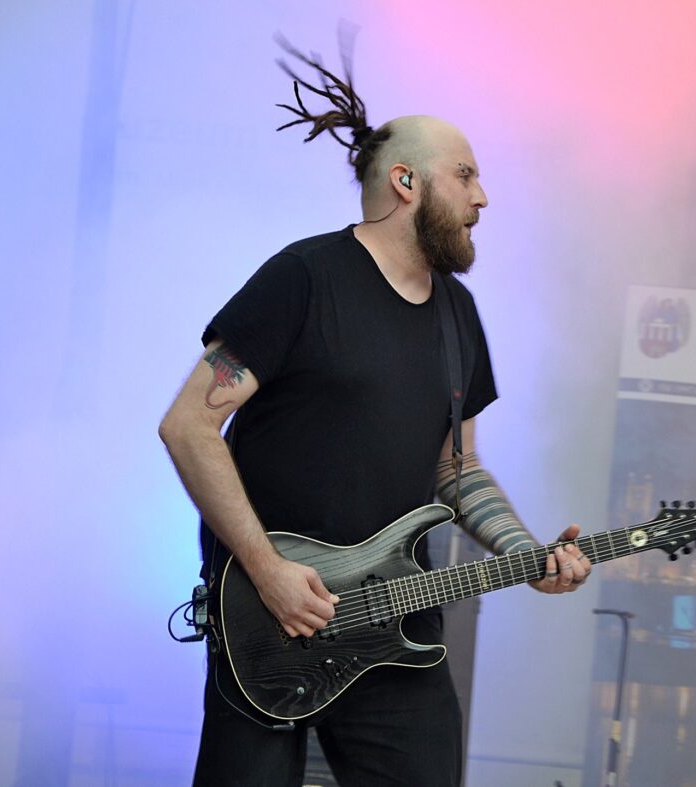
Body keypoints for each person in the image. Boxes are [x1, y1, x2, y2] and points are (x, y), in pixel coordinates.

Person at [159, 45, 591, 787]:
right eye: (465, 175)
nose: (483, 197)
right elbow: (188, 426)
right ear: (406, 181)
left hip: (397, 623)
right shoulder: (304, 278)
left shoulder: (458, 315)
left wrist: (530, 555)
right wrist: (267, 570)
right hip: (270, 619)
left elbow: (457, 469)